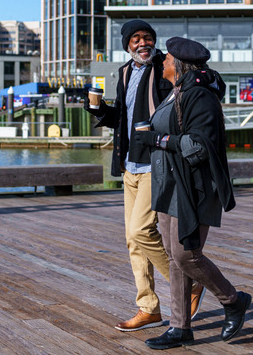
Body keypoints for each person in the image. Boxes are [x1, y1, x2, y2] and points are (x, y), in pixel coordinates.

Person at [84, 21, 206, 332]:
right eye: (136, 39)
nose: (143, 43)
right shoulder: (125, 72)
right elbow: (122, 120)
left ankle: (189, 283)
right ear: (127, 45)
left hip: (156, 163)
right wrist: (99, 111)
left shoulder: (164, 68)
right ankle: (148, 307)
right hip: (129, 166)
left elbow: (179, 104)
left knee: (140, 231)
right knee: (132, 241)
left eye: (148, 38)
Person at [134, 37, 251, 350]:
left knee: (187, 254)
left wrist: (158, 141)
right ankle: (180, 327)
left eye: (167, 59)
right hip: (170, 184)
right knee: (174, 256)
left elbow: (198, 147)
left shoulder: (199, 95)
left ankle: (233, 300)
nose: (163, 62)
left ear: (179, 63)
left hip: (195, 185)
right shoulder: (176, 92)